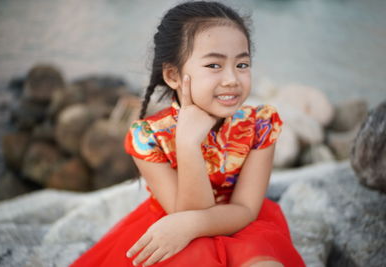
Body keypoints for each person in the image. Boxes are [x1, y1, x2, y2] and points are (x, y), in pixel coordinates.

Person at [69, 1, 306, 266]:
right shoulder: (148, 138)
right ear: (173, 75)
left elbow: (247, 209)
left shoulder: (259, 125)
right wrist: (187, 143)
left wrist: (196, 222)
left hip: (240, 222)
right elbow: (184, 215)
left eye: (242, 65)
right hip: (176, 228)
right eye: (214, 65)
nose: (232, 79)